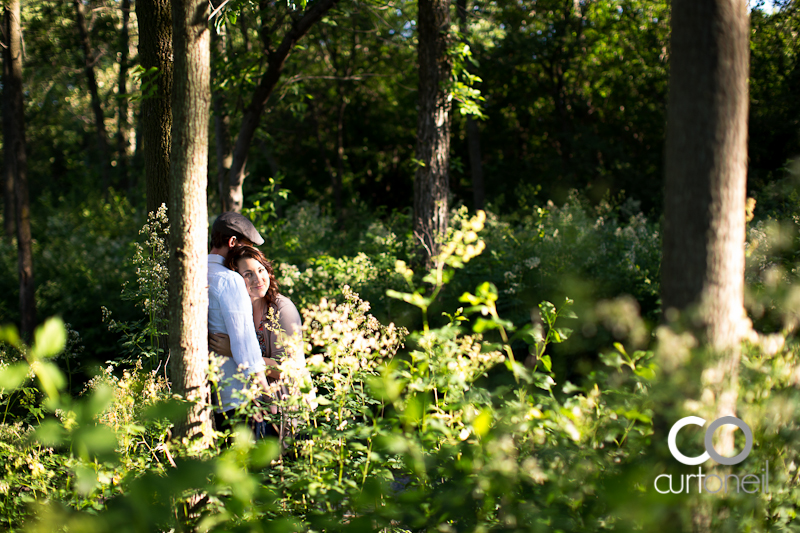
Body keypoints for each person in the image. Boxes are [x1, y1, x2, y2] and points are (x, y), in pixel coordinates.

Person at [208, 245, 305, 438]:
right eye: (248, 274)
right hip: (256, 406)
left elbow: (287, 370)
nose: (258, 279)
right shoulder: (234, 315)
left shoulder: (282, 310)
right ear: (236, 279)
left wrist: (237, 351)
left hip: (287, 406)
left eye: (261, 270)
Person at [208, 212, 272, 439]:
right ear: (232, 242)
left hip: (211, 398)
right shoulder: (229, 279)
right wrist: (268, 397)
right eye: (246, 246)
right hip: (239, 399)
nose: (249, 253)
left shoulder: (195, 274)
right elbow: (245, 347)